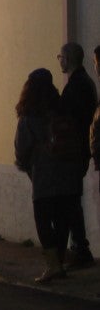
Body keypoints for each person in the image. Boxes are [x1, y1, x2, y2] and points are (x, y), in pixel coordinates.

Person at [15, 68, 82, 283]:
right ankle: (60, 264)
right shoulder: (62, 107)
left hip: (44, 178)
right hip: (68, 175)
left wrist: (28, 168)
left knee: (44, 222)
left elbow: (21, 149)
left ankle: (53, 266)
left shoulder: (29, 115)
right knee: (62, 220)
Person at [58, 42, 98, 269]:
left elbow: (68, 118)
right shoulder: (84, 83)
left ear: (69, 58)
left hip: (74, 150)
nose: (59, 60)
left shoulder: (75, 86)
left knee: (71, 200)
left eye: (60, 57)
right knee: (72, 199)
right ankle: (78, 246)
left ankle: (80, 247)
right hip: (81, 149)